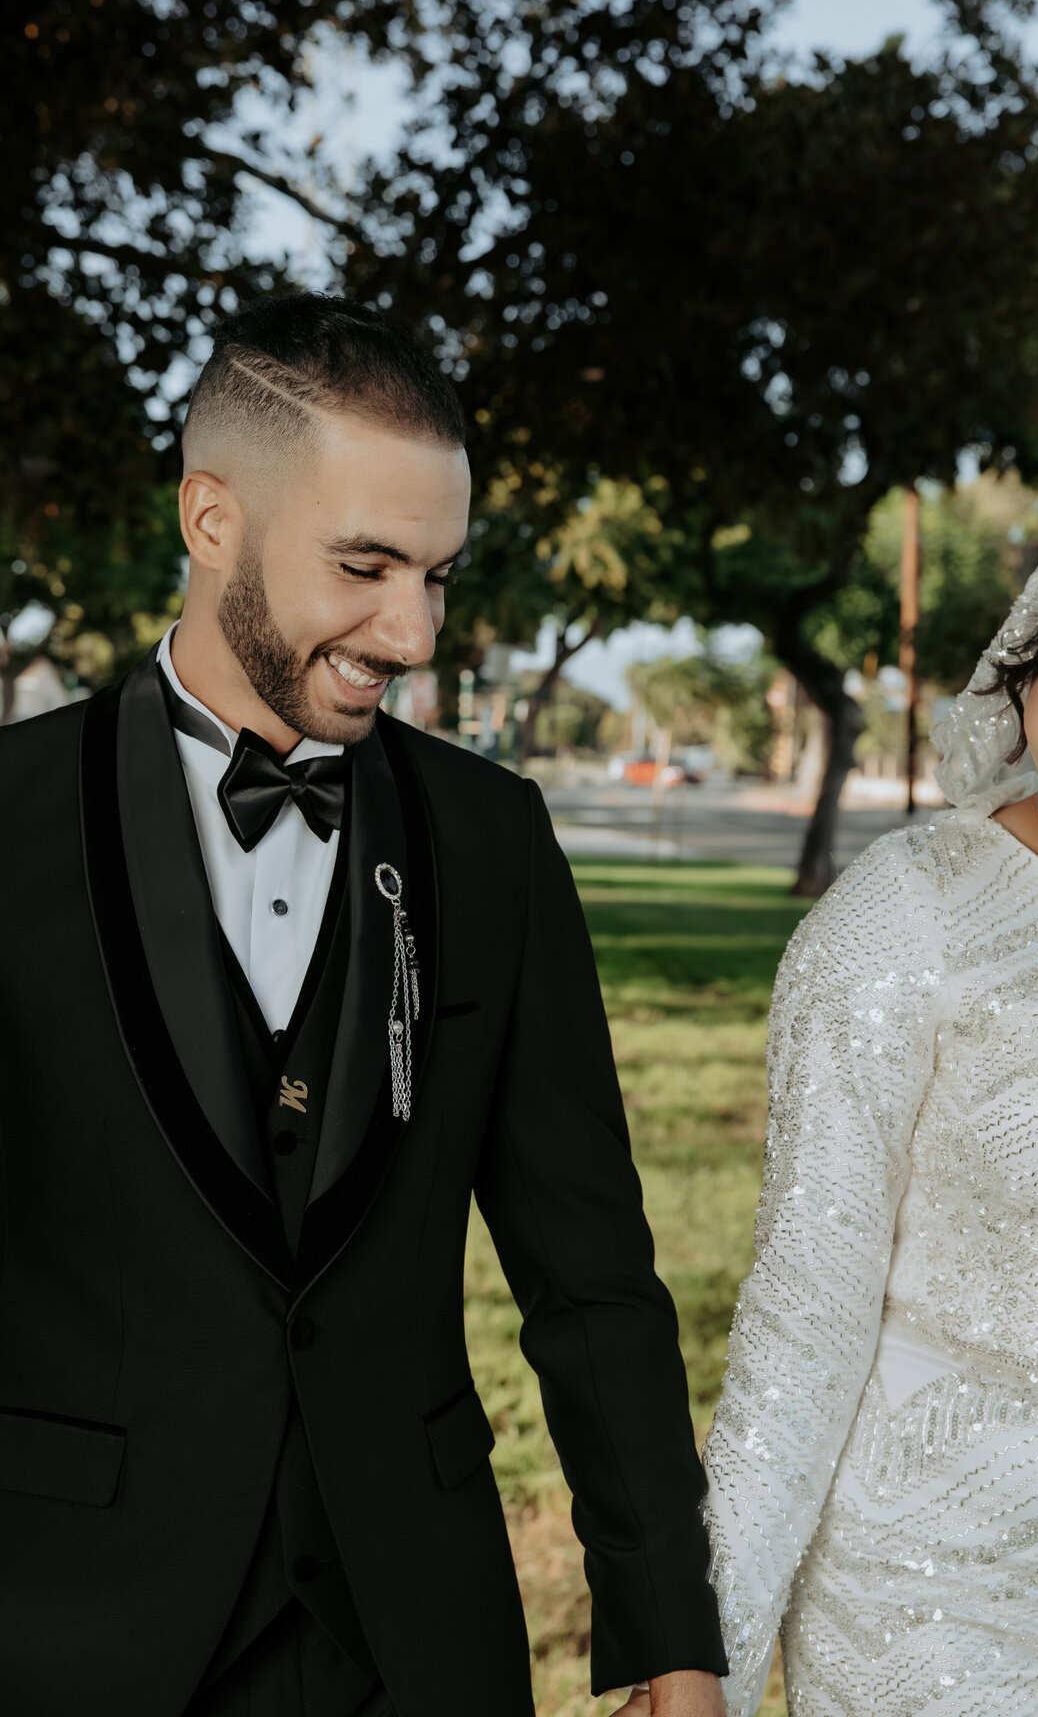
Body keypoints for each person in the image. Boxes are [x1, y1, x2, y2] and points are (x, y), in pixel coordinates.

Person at [0, 293, 728, 1717]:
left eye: (441, 577)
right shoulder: (10, 822)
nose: (414, 632)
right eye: (367, 567)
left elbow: (591, 1277)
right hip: (68, 1627)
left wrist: (671, 1634)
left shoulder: (491, 840)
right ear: (213, 520)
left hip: (415, 1630)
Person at [702, 484, 1038, 1716]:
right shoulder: (908, 917)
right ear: (1019, 679)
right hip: (937, 1599)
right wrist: (699, 1647)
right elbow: (802, 1318)